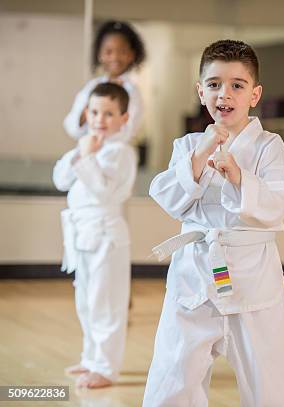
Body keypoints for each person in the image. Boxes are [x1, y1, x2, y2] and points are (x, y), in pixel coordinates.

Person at [142, 40, 284, 407]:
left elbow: (279, 202)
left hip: (250, 281)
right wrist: (201, 154)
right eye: (213, 84)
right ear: (200, 92)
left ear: (255, 94)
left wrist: (239, 178)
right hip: (194, 276)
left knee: (268, 380)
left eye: (237, 85)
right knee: (173, 374)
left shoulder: (269, 147)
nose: (224, 94)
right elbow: (167, 196)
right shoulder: (188, 145)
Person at [53, 83, 137, 388]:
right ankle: (90, 358)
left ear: (124, 118)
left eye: (109, 113)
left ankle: (105, 367)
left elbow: (103, 192)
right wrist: (82, 152)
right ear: (86, 112)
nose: (100, 119)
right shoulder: (86, 145)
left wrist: (87, 158)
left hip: (106, 237)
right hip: (81, 236)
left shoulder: (121, 152)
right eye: (95, 111)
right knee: (85, 301)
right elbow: (61, 179)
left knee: (106, 303)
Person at [64, 20, 145, 143]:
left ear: (132, 55)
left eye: (122, 52)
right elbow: (71, 127)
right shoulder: (92, 87)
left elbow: (128, 132)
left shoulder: (132, 91)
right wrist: (91, 106)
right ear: (99, 55)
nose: (115, 57)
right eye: (108, 52)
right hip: (87, 149)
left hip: (114, 155)